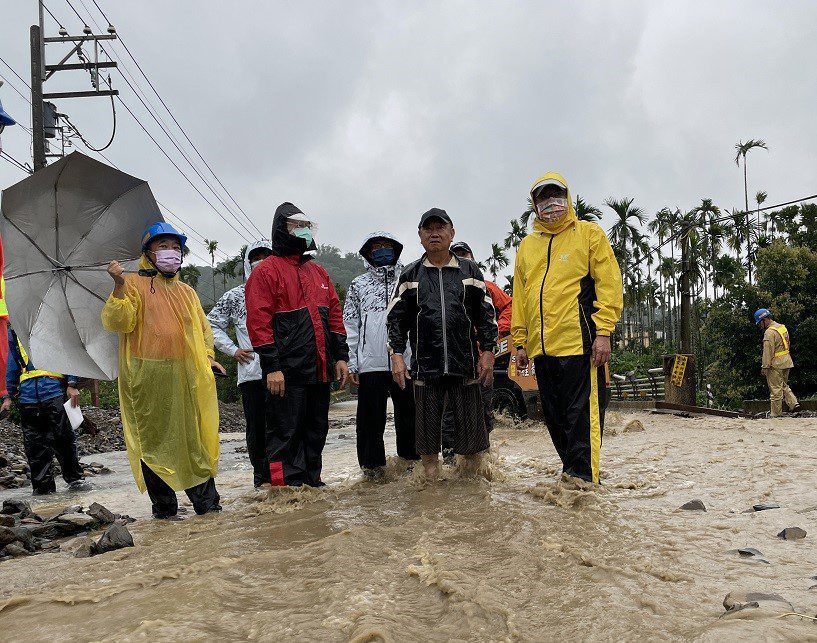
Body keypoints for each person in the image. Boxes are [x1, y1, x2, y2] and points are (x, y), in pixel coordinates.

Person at [102, 222, 224, 519]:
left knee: (193, 438)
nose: (171, 253)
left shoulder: (187, 292)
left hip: (186, 375)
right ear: (148, 253)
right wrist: (118, 285)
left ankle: (208, 508)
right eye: (163, 247)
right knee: (152, 441)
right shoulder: (131, 284)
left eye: (175, 247)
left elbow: (202, 331)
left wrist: (208, 357)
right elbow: (119, 322)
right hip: (146, 378)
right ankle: (165, 511)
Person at [511, 171, 623, 485]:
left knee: (581, 419)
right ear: (535, 206)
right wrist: (520, 343)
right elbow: (521, 296)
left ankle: (584, 483)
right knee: (555, 418)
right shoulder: (527, 246)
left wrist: (603, 332)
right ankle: (572, 476)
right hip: (542, 351)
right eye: (543, 198)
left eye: (555, 195)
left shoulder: (589, 234)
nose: (551, 204)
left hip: (580, 344)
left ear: (567, 197)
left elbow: (609, 284)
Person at [387, 208, 497, 480]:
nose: (434, 233)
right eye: (428, 229)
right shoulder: (411, 275)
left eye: (440, 228)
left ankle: (472, 495)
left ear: (452, 233)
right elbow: (395, 319)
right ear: (420, 236)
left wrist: (488, 351)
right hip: (426, 365)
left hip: (465, 362)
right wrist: (397, 355)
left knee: (472, 440)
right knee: (426, 442)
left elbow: (486, 314)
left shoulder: (469, 270)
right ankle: (431, 493)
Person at [245, 203, 350, 488]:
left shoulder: (319, 273)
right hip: (286, 374)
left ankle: (312, 487)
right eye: (295, 226)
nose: (302, 231)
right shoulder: (266, 272)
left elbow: (335, 316)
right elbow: (258, 322)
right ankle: (283, 491)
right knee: (283, 434)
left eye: (305, 226)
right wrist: (272, 367)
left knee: (316, 431)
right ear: (282, 229)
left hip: (319, 370)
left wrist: (340, 356)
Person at [344, 232, 418, 479]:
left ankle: (412, 464)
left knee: (409, 415)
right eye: (377, 247)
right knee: (369, 420)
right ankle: (372, 469)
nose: (382, 250)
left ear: (395, 250)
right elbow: (350, 325)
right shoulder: (358, 285)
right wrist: (353, 362)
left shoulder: (408, 280)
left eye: (387, 246)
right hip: (370, 363)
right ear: (368, 252)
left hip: (405, 361)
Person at [207, 240, 273, 487]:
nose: (263, 260)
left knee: (284, 427)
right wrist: (233, 350)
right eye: (257, 256)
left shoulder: (284, 292)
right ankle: (262, 481)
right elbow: (210, 324)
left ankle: (283, 478)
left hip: (286, 371)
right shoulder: (235, 296)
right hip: (252, 372)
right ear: (248, 262)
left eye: (268, 255)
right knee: (257, 429)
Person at [440, 241, 512, 461]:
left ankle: (482, 457)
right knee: (450, 412)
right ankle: (451, 459)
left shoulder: (485, 285)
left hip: (482, 358)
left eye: (465, 254)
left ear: (472, 257)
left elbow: (509, 306)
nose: (463, 259)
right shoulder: (442, 285)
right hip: (453, 361)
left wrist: (496, 331)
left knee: (483, 409)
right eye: (458, 255)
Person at [4, 325, 85, 494]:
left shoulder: (52, 323)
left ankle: (75, 481)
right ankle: (43, 489)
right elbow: (12, 363)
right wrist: (9, 395)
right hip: (28, 396)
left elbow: (67, 354)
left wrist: (72, 383)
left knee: (63, 439)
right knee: (34, 445)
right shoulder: (15, 331)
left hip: (53, 390)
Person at [755, 308, 800, 417]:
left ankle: (775, 416)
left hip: (776, 364)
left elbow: (767, 352)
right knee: (783, 385)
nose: (760, 325)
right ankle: (793, 403)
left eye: (759, 323)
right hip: (787, 361)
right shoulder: (782, 327)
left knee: (775, 391)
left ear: (764, 320)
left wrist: (765, 367)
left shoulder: (769, 333)